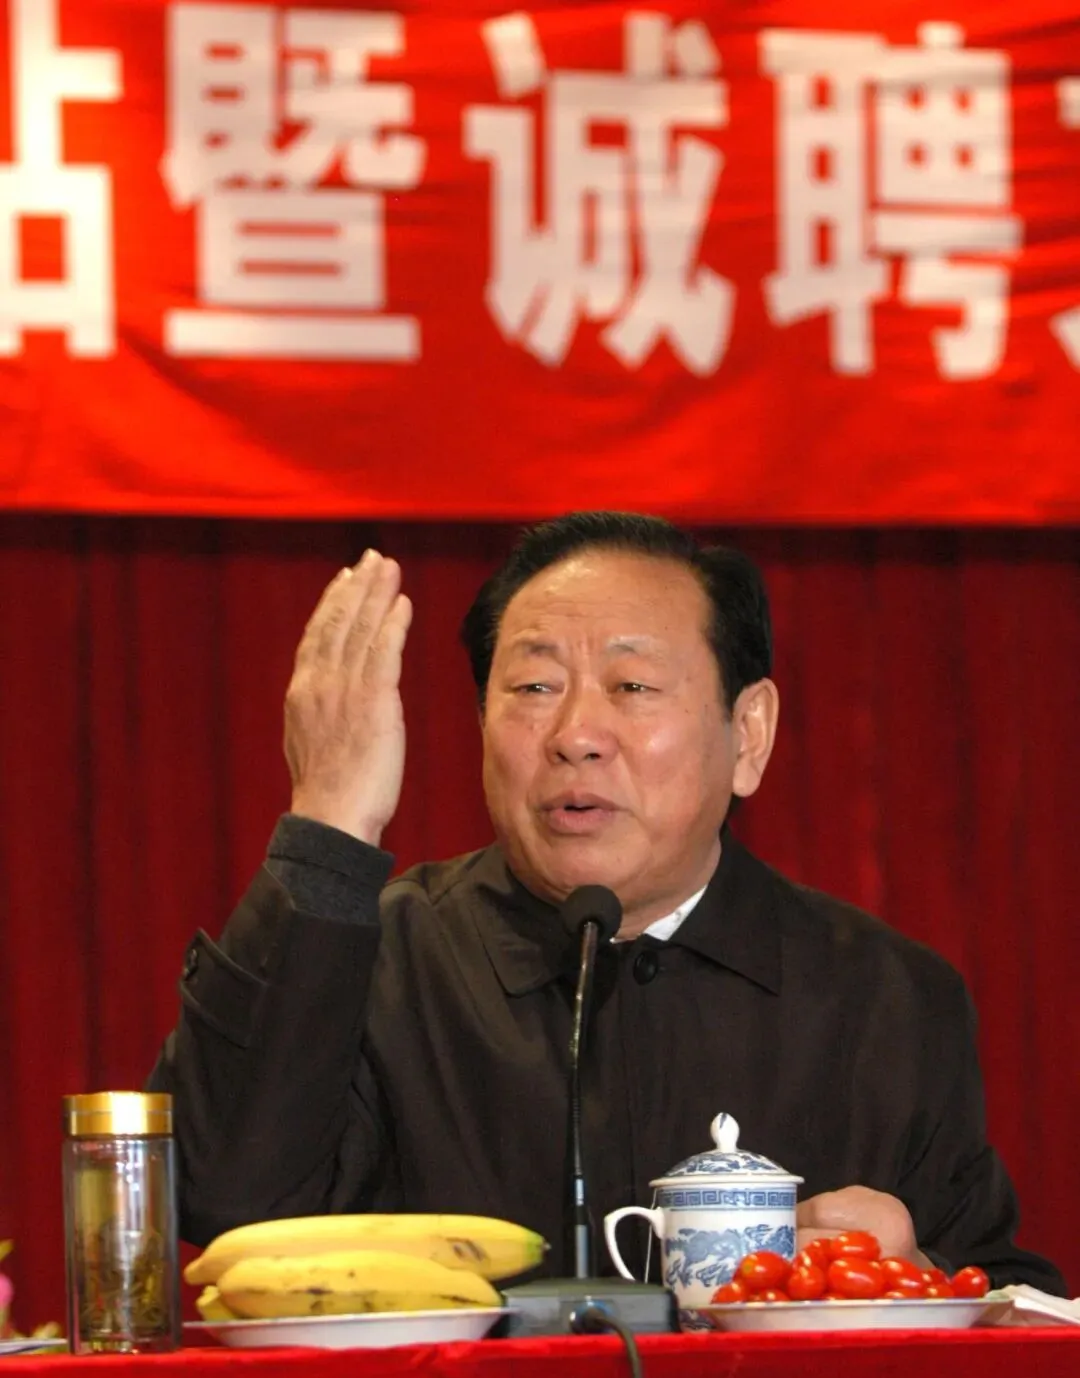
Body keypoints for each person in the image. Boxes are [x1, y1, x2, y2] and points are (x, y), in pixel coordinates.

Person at [150, 512, 1064, 1293]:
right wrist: (329, 826)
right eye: (533, 688)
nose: (576, 735)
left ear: (749, 734)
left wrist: (912, 1277)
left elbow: (1011, 1310)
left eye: (631, 686)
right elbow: (222, 1200)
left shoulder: (885, 996)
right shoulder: (380, 959)